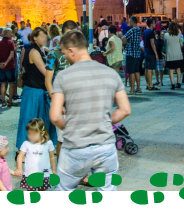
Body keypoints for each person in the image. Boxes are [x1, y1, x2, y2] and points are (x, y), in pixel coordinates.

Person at [49, 30, 131, 191]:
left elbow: (54, 116)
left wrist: (70, 127)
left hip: (75, 147)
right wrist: (106, 121)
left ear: (72, 50)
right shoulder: (110, 74)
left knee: (64, 190)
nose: (64, 57)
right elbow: (125, 109)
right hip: (105, 146)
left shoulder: (63, 76)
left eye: (65, 53)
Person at [16, 27, 58, 153]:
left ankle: (38, 147)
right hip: (34, 91)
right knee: (31, 119)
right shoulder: (34, 51)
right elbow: (46, 72)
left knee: (39, 120)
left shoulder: (36, 50)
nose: (45, 39)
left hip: (36, 90)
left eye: (46, 36)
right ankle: (23, 150)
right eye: (42, 36)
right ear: (35, 37)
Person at [15, 118, 57, 191]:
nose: (30, 136)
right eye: (29, 133)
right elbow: (20, 156)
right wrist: (19, 168)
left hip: (44, 174)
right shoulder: (26, 143)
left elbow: (52, 157)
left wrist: (53, 169)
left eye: (33, 134)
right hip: (30, 174)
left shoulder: (48, 143)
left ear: (42, 133)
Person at [0, 28, 18, 107]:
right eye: (11, 33)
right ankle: (10, 101)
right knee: (11, 84)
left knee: (3, 84)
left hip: (1, 67)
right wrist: (6, 62)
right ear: (7, 34)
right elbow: (11, 54)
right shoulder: (10, 42)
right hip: (10, 66)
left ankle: (3, 101)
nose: (12, 34)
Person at [123, 17, 143, 94]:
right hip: (137, 54)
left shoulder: (131, 31)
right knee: (137, 71)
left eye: (129, 22)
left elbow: (123, 39)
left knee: (131, 72)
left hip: (130, 54)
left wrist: (126, 43)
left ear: (132, 22)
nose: (129, 23)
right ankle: (138, 88)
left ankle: (132, 89)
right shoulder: (139, 30)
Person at [164, 21, 184, 89]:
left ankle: (172, 84)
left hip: (170, 55)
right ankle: (178, 83)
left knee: (171, 70)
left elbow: (165, 43)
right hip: (178, 54)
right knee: (178, 69)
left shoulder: (166, 35)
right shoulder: (178, 34)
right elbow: (181, 44)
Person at [142, 19, 160, 91]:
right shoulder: (151, 32)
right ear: (151, 24)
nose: (155, 24)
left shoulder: (145, 32)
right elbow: (152, 43)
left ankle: (147, 84)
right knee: (150, 69)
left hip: (146, 51)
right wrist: (156, 54)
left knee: (146, 69)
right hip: (150, 52)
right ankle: (150, 85)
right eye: (154, 23)